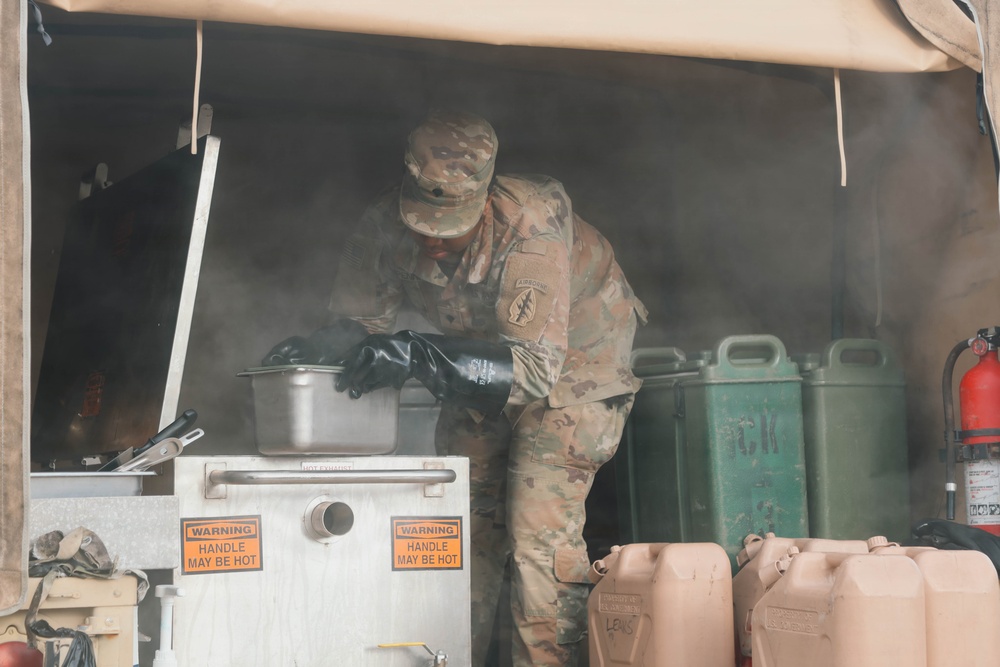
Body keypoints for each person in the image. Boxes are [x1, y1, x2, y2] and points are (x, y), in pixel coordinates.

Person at [265, 109, 647, 666]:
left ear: (484, 198)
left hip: (572, 368)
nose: (433, 241)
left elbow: (536, 370)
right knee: (459, 529)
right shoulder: (383, 220)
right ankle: (449, 657)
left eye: (451, 229)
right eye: (422, 225)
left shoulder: (531, 222)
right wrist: (328, 343)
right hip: (476, 362)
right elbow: (364, 318)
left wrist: (418, 352)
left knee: (536, 540)